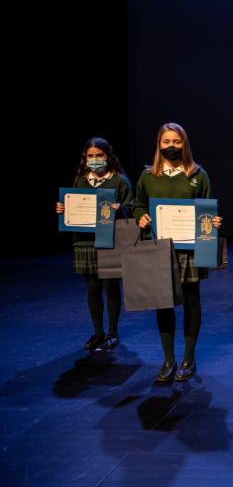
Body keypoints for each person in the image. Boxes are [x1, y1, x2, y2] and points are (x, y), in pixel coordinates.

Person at [134, 122, 222, 382]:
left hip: (190, 248)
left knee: (192, 301)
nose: (171, 146)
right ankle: (168, 360)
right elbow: (138, 205)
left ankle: (188, 359)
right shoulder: (148, 176)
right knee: (164, 303)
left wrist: (213, 221)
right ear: (159, 145)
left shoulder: (197, 174)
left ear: (184, 144)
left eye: (176, 142)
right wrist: (141, 217)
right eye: (166, 142)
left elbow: (207, 208)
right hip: (160, 247)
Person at [56, 137, 133, 350]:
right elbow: (74, 205)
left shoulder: (119, 181)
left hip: (110, 240)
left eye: (99, 155)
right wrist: (64, 210)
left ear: (108, 157)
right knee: (92, 287)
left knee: (110, 286)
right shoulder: (81, 180)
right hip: (85, 240)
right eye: (90, 156)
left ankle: (112, 332)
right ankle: (98, 332)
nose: (95, 160)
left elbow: (131, 209)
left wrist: (120, 209)